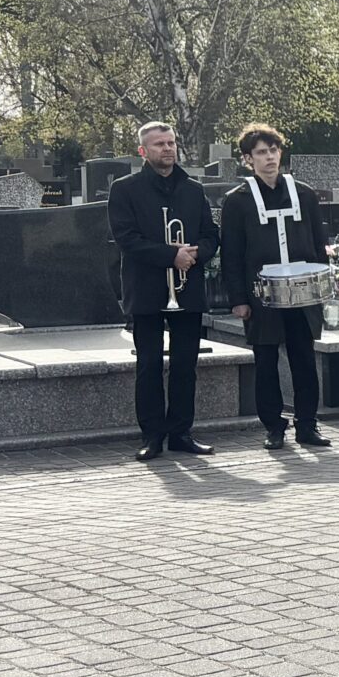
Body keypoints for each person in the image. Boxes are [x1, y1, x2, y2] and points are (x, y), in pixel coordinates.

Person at [107, 119, 221, 461]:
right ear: (143, 151)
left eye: (171, 143)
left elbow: (211, 235)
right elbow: (126, 239)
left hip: (187, 290)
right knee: (149, 365)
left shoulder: (193, 190)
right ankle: (152, 436)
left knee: (186, 366)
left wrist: (196, 254)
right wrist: (172, 255)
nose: (168, 148)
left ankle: (181, 433)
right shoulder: (125, 189)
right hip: (146, 289)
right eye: (159, 144)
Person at [220, 123, 335, 451]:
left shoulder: (304, 193)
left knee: (304, 360)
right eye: (261, 152)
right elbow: (231, 254)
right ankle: (273, 427)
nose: (269, 157)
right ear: (248, 159)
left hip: (303, 292)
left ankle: (307, 425)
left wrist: (325, 287)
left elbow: (319, 244)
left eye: (273, 150)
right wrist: (238, 299)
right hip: (261, 295)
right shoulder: (237, 201)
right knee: (266, 362)